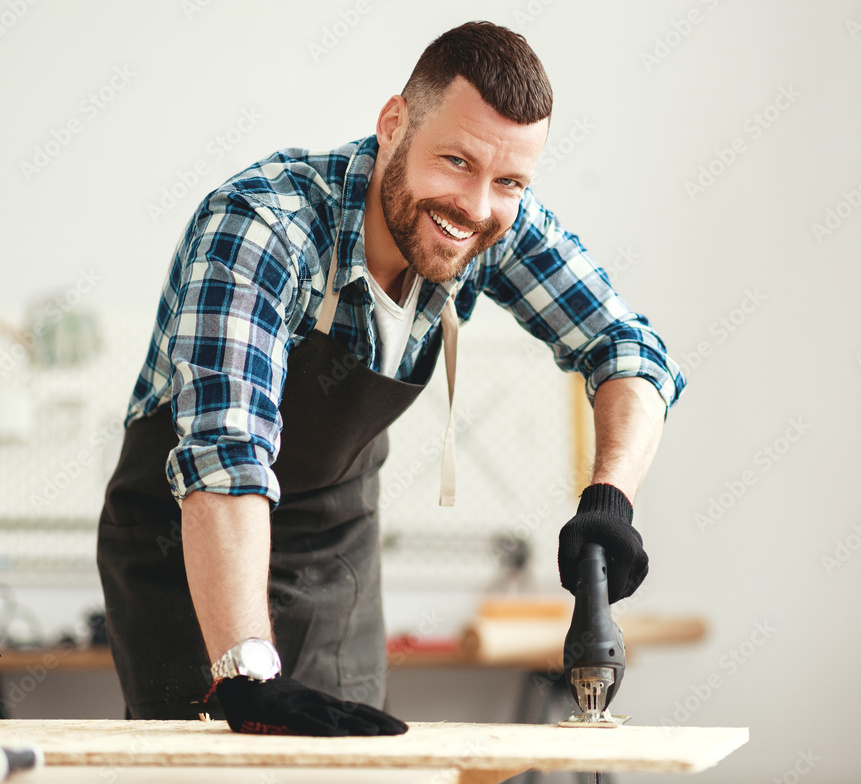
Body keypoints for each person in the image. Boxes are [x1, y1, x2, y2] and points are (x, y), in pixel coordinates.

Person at [96, 20, 685, 736]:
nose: (475, 204)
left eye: (510, 180)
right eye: (456, 162)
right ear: (393, 123)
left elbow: (628, 349)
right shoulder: (264, 224)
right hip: (186, 544)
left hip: (330, 543)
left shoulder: (492, 220)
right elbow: (227, 455)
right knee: (209, 762)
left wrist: (609, 501)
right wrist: (245, 665)